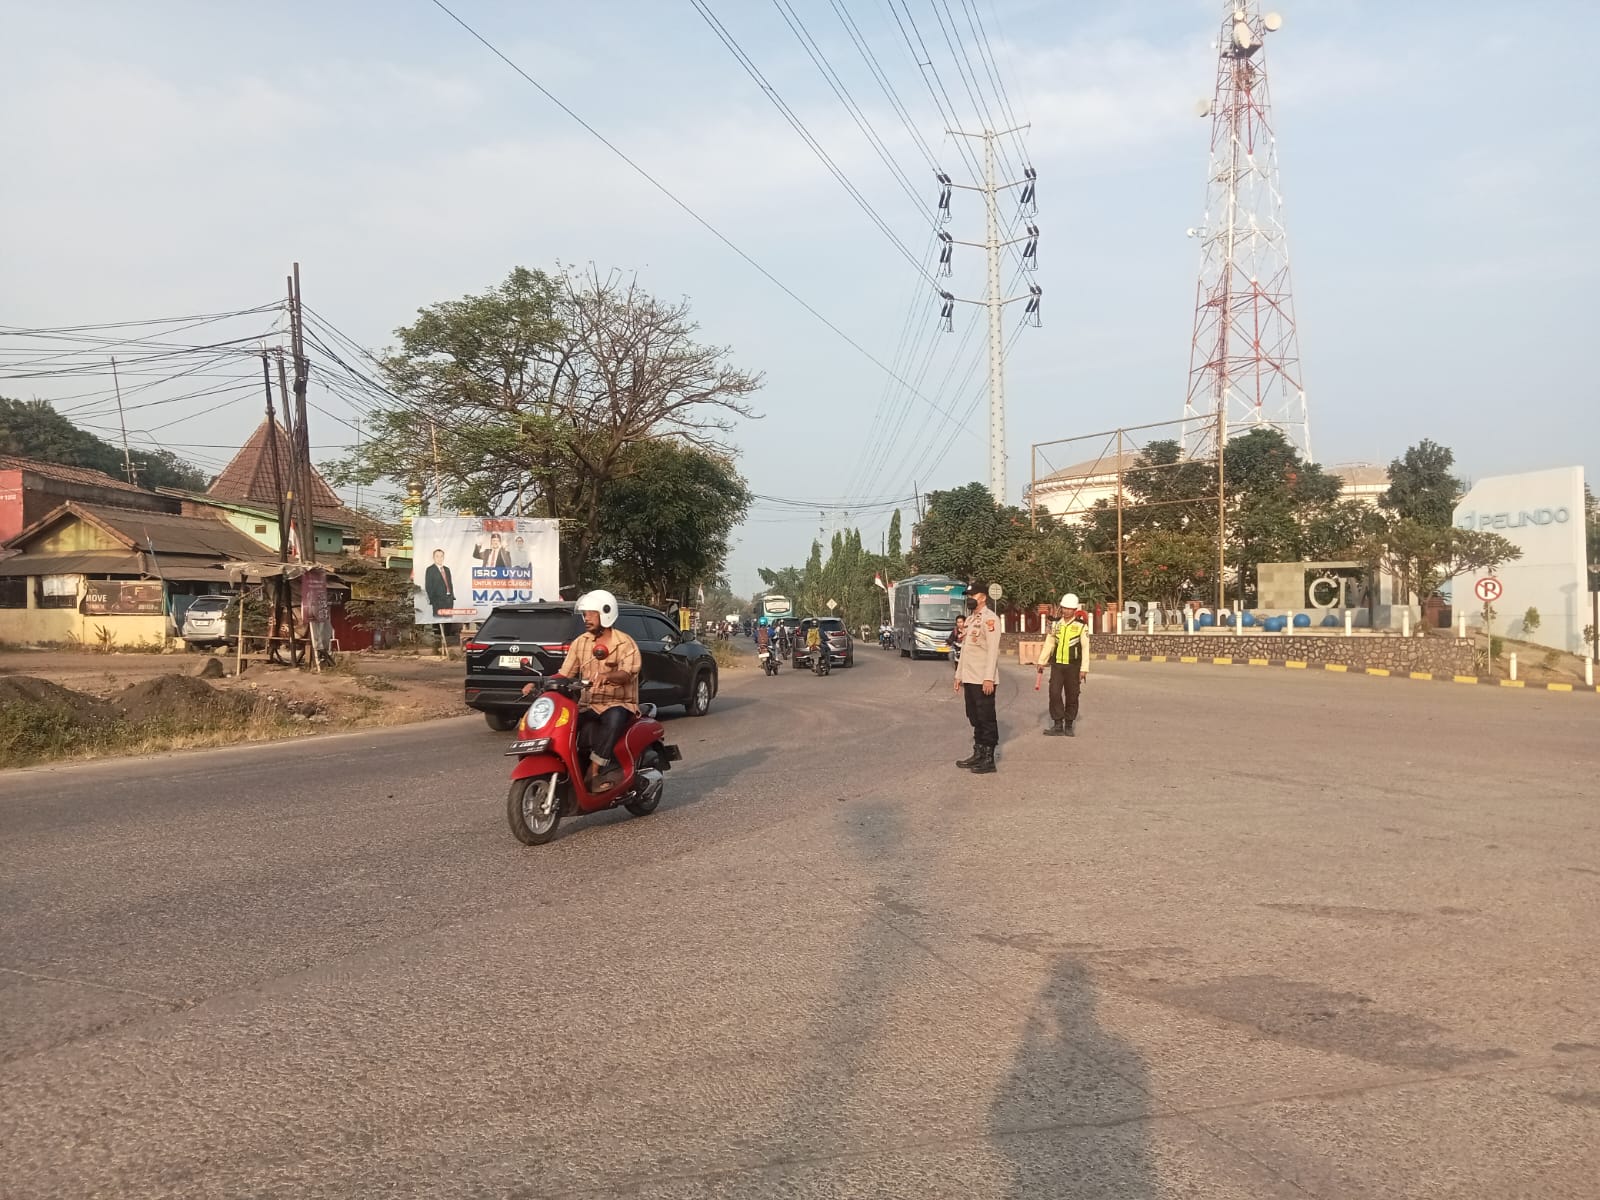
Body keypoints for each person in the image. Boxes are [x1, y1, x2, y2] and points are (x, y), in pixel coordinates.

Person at [520, 589, 639, 793]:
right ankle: (568, 769)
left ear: (606, 613)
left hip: (617, 702)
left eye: (591, 613)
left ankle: (594, 772)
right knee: (561, 724)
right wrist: (539, 684)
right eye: (585, 613)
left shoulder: (625, 644)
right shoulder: (580, 642)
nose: (586, 618)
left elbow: (627, 673)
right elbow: (564, 673)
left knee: (614, 718)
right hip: (587, 704)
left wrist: (608, 676)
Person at [955, 579, 1002, 774]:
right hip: (970, 677)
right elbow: (965, 650)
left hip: (983, 678)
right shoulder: (970, 620)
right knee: (974, 716)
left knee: (986, 717)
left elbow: (992, 651)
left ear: (982, 597)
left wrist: (989, 678)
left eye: (972, 596)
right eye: (968, 596)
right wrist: (959, 675)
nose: (969, 599)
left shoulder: (990, 620)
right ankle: (978, 753)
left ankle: (989, 758)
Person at [1037, 593, 1091, 736]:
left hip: (1073, 666)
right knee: (1054, 693)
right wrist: (1042, 661)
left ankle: (1068, 724)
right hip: (1057, 666)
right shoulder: (1055, 624)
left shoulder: (1081, 626)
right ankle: (1057, 724)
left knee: (1072, 695)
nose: (1066, 611)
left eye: (1069, 609)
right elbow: (1049, 643)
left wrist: (1084, 669)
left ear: (1074, 610)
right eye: (1064, 608)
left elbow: (1085, 648)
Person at [423, 548, 455, 617]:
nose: (439, 558)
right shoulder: (430, 569)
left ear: (443, 557)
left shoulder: (447, 569)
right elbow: (428, 586)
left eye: (441, 556)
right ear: (433, 557)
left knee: (449, 620)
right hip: (438, 602)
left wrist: (452, 596)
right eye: (437, 556)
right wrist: (433, 600)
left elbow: (450, 584)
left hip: (449, 600)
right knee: (438, 620)